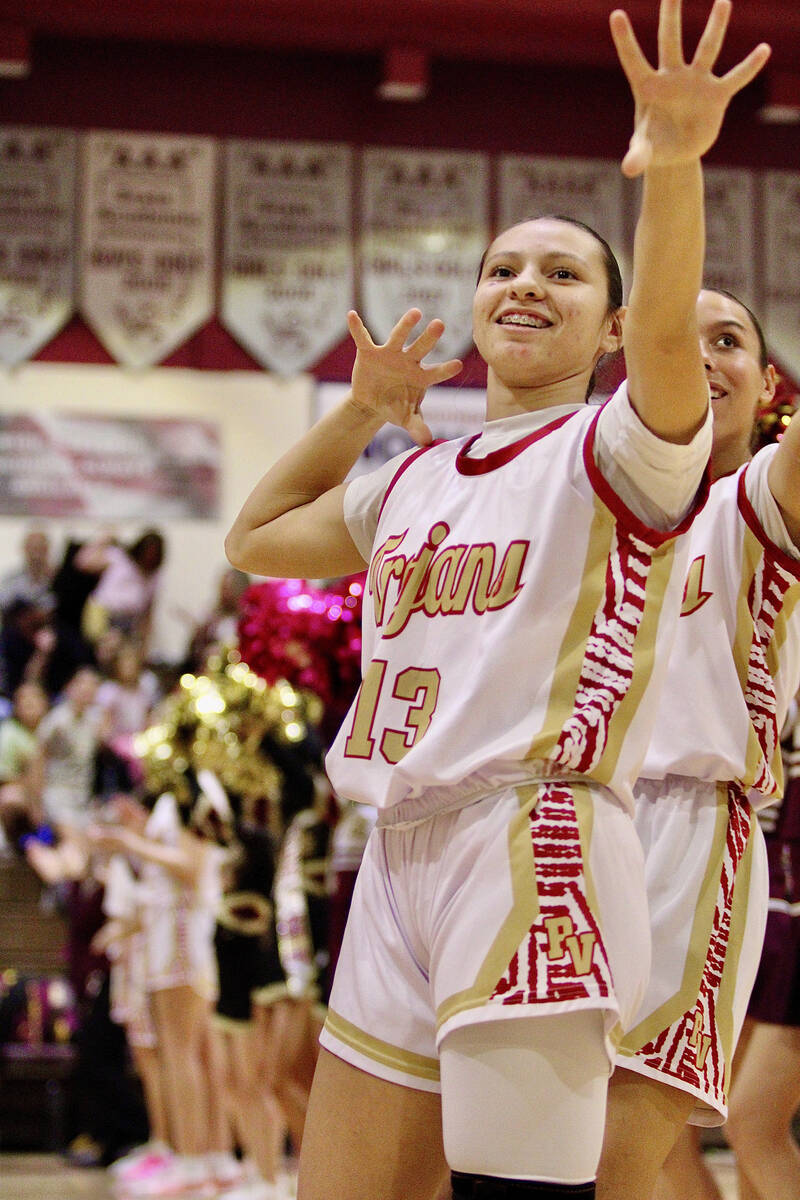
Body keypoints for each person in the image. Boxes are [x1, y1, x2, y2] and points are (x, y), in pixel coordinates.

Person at [225, 3, 768, 1195]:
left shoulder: (622, 450)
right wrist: (360, 410)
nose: (523, 284)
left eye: (560, 273)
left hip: (536, 837)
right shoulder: (411, 478)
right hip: (397, 848)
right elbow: (255, 538)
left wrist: (671, 163)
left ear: (611, 325)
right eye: (501, 268)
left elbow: (674, 349)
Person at [595, 282, 800, 1196]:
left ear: (767, 388)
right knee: (546, 1139)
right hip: (566, 812)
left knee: (626, 1141)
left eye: (730, 341)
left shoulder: (758, 493)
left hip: (688, 825)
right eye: (681, 336)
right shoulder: (594, 505)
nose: (702, 355)